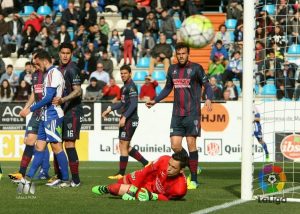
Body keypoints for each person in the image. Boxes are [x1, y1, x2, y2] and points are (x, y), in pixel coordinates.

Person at [146, 43, 213, 189]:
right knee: (175, 146)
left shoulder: (196, 68)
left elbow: (207, 85)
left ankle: (194, 179)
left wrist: (208, 98)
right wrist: (155, 100)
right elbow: (167, 88)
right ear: (176, 55)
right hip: (177, 114)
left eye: (183, 53)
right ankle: (192, 164)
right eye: (179, 53)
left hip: (192, 113)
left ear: (188, 54)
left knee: (191, 144)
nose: (181, 56)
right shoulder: (172, 69)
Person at [19, 50, 69, 188]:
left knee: (56, 147)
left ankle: (65, 179)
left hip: (53, 114)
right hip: (44, 115)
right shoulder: (48, 74)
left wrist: (30, 109)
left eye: (37, 63)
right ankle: (28, 177)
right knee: (39, 146)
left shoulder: (54, 73)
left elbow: (48, 98)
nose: (36, 66)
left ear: (44, 60)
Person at [8, 50, 50, 182]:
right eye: (32, 62)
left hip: (49, 113)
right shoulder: (35, 75)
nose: (34, 64)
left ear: (42, 60)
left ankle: (49, 172)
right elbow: (34, 93)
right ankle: (22, 173)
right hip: (36, 113)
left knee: (50, 145)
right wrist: (26, 108)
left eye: (35, 62)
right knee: (30, 141)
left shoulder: (51, 74)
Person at [102, 65, 149, 180]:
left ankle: (121, 173)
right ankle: (146, 163)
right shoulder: (125, 87)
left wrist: (124, 117)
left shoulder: (131, 86)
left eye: (125, 73)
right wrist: (110, 109)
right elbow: (123, 103)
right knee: (125, 146)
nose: (123, 75)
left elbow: (133, 104)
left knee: (123, 144)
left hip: (130, 119)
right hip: (127, 118)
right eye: (121, 73)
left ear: (130, 73)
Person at [50, 42, 83, 187]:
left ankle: (75, 180)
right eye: (62, 53)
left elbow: (78, 91)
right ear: (59, 54)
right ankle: (60, 176)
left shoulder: (72, 69)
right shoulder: (58, 70)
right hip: (61, 112)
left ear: (71, 54)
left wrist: (62, 99)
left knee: (69, 144)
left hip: (73, 112)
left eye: (67, 53)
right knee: (57, 144)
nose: (65, 55)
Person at [92, 152, 188, 201]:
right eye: (169, 164)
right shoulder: (164, 159)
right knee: (122, 181)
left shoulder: (180, 189)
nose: (168, 169)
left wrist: (152, 196)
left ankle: (106, 189)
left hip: (149, 192)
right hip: (147, 179)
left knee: (114, 188)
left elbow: (168, 199)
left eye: (173, 167)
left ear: (181, 170)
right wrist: (133, 189)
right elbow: (145, 171)